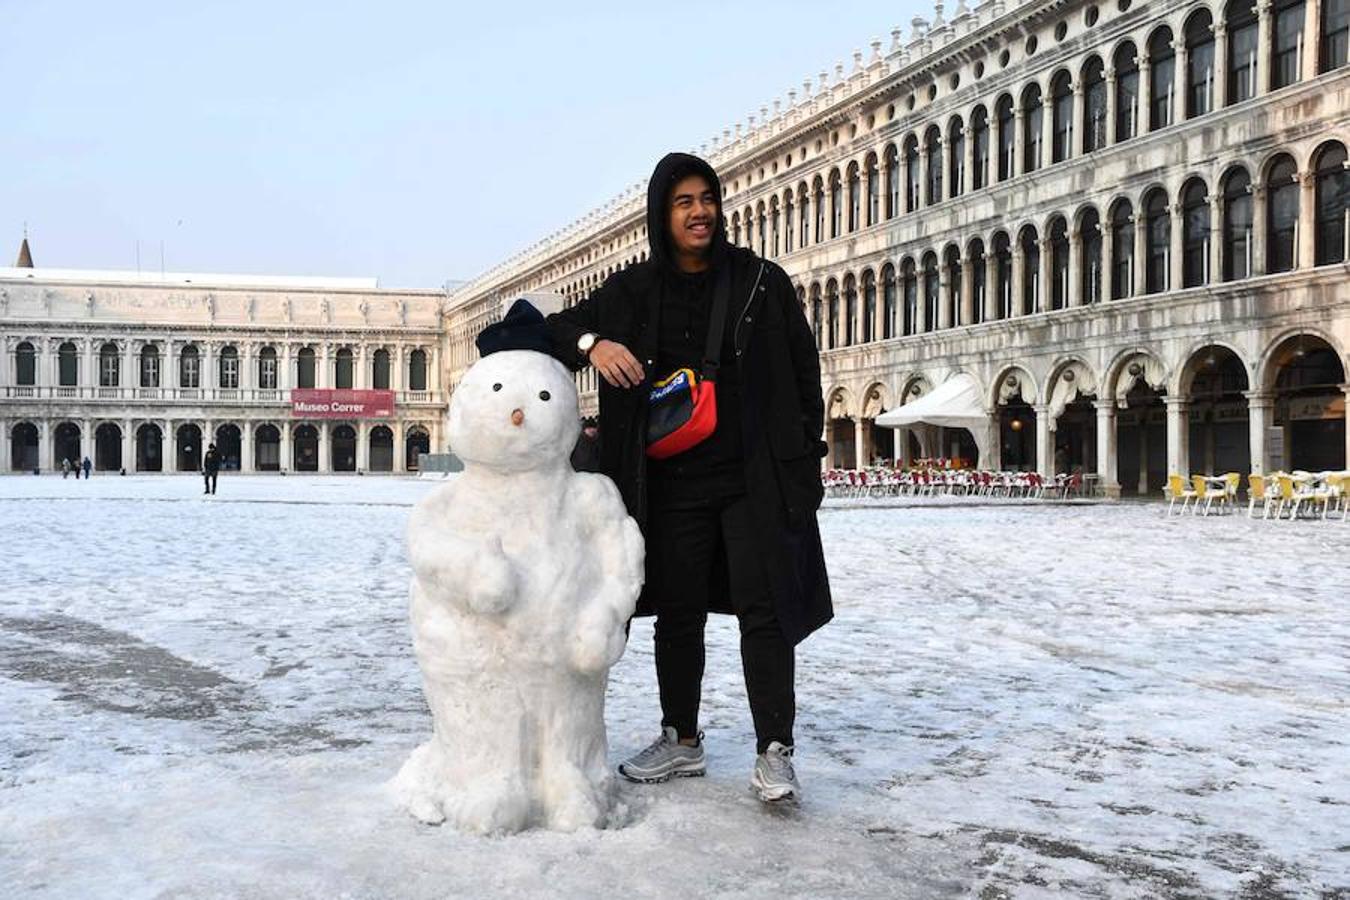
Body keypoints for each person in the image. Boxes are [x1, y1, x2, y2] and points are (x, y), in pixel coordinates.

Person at [544, 152, 831, 803]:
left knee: (766, 613)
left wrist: (803, 460)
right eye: (684, 202)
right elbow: (541, 326)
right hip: (668, 486)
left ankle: (775, 751)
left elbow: (803, 371)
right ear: (661, 213)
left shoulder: (761, 281)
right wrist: (596, 345)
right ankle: (681, 738)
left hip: (753, 477)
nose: (700, 211)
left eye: (707, 198)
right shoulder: (631, 292)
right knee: (678, 614)